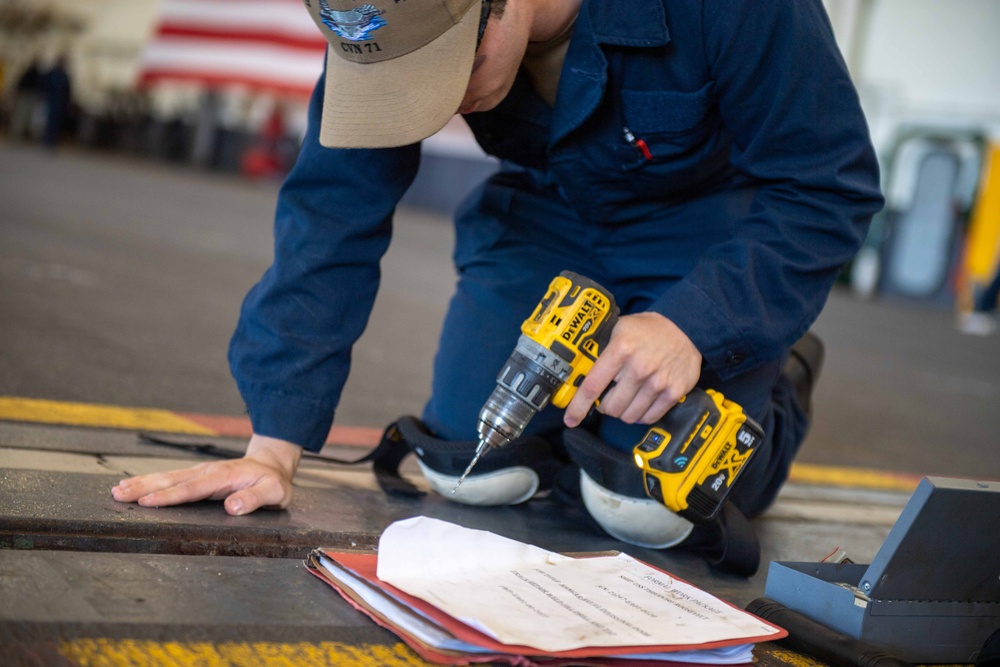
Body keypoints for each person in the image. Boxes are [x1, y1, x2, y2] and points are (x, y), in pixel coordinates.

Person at [112, 0, 883, 572]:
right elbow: (332, 208)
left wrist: (697, 325)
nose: (437, 106)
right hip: (549, 215)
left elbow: (829, 186)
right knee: (471, 467)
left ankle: (776, 382)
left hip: (704, 233)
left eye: (450, 74)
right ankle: (598, 406)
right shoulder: (386, 15)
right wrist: (271, 449)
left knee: (650, 504)